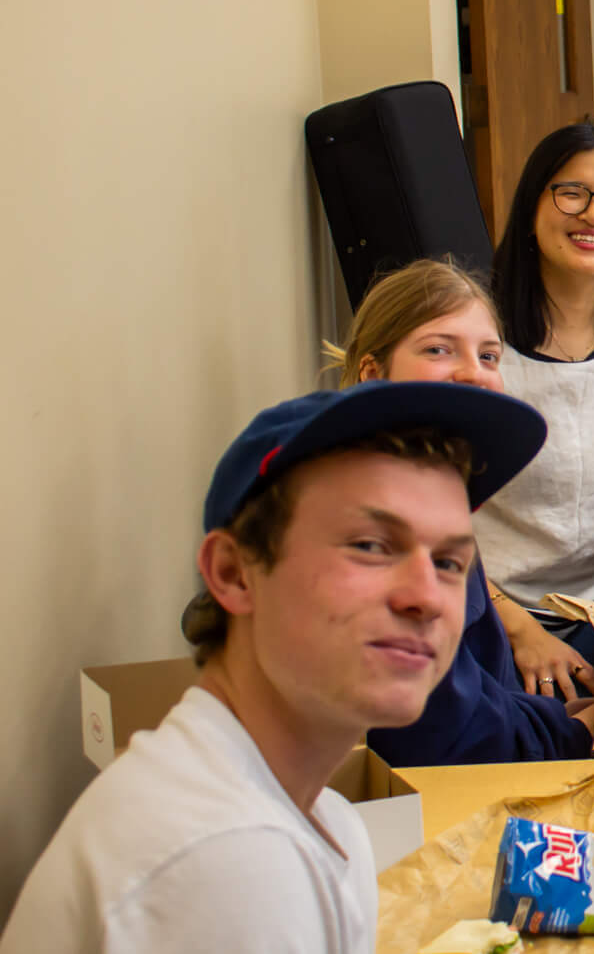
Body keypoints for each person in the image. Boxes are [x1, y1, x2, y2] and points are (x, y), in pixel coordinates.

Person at [0, 382, 545, 954]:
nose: (427, 597)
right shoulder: (226, 861)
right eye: (369, 545)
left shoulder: (324, 821)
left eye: (449, 562)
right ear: (233, 573)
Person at [329, 259, 594, 765]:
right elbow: (446, 738)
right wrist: (574, 731)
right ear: (373, 374)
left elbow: (477, 683)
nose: (474, 372)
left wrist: (551, 718)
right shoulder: (379, 529)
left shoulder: (424, 493)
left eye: (488, 355)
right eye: (438, 349)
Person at [472, 121, 594, 693]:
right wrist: (519, 631)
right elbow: (433, 530)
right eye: (572, 193)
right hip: (487, 615)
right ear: (531, 209)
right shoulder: (476, 344)